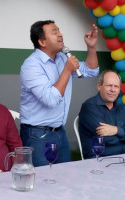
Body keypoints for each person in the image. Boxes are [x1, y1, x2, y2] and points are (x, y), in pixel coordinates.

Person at [20, 20, 99, 167]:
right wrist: (67, 71)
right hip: (37, 135)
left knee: (64, 178)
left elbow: (90, 70)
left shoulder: (62, 58)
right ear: (42, 41)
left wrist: (91, 47)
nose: (60, 34)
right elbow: (50, 99)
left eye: (59, 30)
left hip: (59, 131)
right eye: (54, 32)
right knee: (42, 181)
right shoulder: (31, 65)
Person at [79, 71, 125, 158]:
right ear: (99, 86)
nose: (112, 90)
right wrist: (123, 135)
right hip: (98, 160)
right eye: (109, 85)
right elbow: (105, 139)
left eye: (116, 86)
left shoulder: (120, 109)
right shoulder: (89, 106)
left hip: (122, 158)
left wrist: (116, 130)